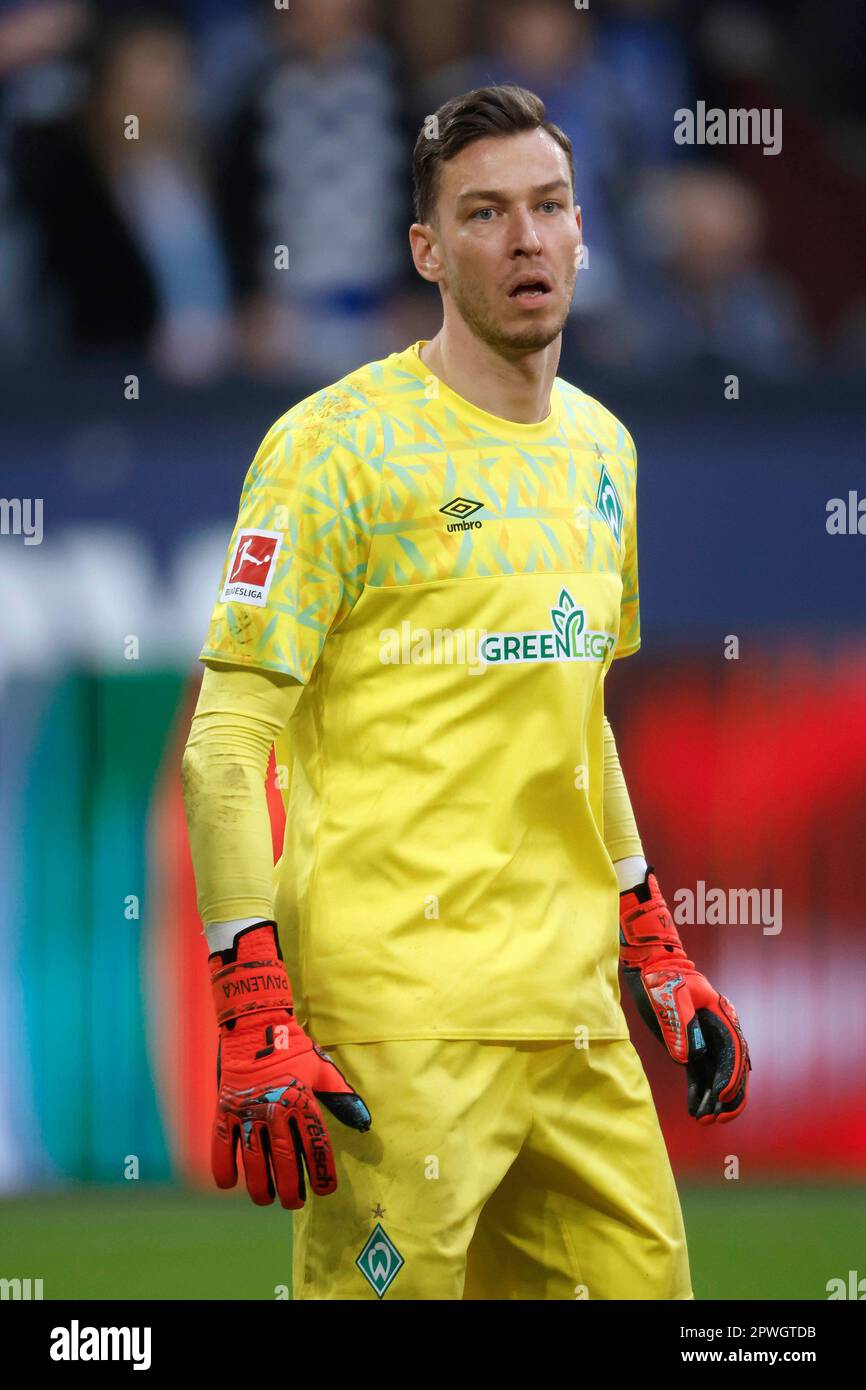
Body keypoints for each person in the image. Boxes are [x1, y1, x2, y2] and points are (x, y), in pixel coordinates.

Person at [182, 83, 750, 1301]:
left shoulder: (605, 449)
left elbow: (577, 716)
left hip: (576, 1022)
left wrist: (649, 940)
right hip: (396, 1027)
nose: (525, 239)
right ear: (427, 252)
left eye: (547, 207)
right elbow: (225, 744)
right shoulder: (333, 448)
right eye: (484, 214)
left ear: (583, 232)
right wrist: (250, 995)